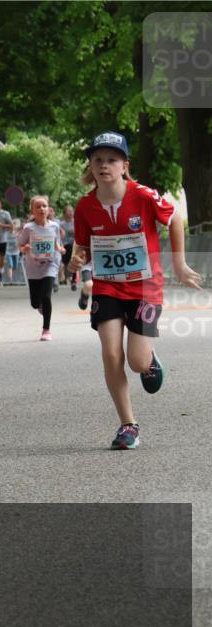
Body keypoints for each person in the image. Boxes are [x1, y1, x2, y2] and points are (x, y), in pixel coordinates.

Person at [68, 131, 202, 450]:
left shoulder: (142, 196)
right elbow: (83, 247)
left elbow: (174, 218)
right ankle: (128, 425)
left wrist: (180, 265)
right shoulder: (85, 207)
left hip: (145, 287)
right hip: (107, 287)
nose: (104, 166)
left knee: (137, 362)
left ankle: (150, 360)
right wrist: (76, 260)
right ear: (91, 165)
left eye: (111, 160)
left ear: (124, 166)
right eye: (98, 160)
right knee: (111, 354)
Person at [17, 195, 64, 340]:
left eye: (44, 206)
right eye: (38, 206)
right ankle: (40, 306)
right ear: (32, 210)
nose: (41, 209)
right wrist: (25, 248)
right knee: (35, 302)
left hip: (50, 264)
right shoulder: (28, 228)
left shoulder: (55, 226)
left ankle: (46, 330)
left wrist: (60, 249)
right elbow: (20, 245)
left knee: (46, 296)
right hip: (33, 267)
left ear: (49, 209)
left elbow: (57, 244)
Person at [59, 203, 76, 287]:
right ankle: (65, 278)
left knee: (73, 261)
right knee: (65, 262)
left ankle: (73, 278)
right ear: (64, 213)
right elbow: (59, 235)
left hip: (74, 245)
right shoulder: (61, 224)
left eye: (72, 211)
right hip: (65, 245)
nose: (71, 213)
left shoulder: (76, 222)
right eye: (69, 211)